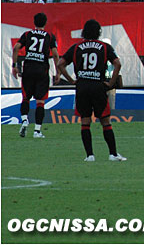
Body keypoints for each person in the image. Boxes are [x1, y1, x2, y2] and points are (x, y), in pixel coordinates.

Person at [56, 19, 126, 162]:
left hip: (82, 87)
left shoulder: (76, 47)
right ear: (98, 32)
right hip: (98, 86)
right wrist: (111, 82)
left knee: (85, 121)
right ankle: (113, 154)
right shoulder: (104, 47)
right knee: (105, 121)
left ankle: (90, 155)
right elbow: (117, 63)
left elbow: (60, 63)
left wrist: (71, 80)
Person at [12, 13, 59, 138]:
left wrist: (14, 66)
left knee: (26, 98)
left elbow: (16, 48)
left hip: (28, 69)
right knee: (40, 101)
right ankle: (37, 131)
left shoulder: (27, 34)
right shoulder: (49, 36)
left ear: (34, 22)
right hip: (42, 70)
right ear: (45, 23)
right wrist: (58, 71)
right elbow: (55, 54)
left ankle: (24, 120)